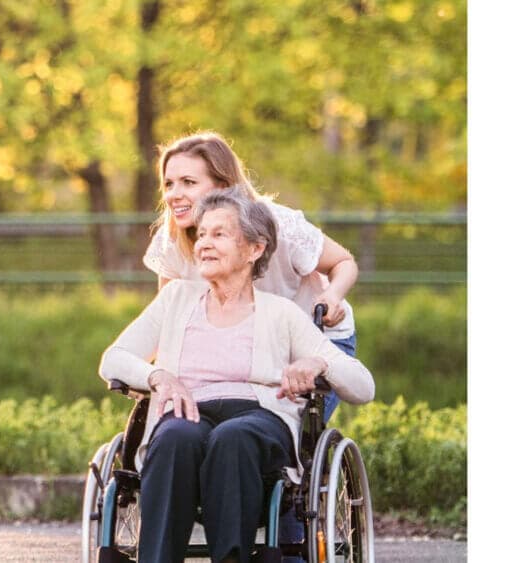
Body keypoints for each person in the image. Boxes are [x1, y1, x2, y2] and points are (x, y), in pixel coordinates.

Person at [100, 190, 374, 563]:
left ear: (254, 249)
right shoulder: (176, 298)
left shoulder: (283, 313)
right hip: (188, 411)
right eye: (202, 235)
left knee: (234, 437)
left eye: (220, 235)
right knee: (175, 436)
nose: (204, 245)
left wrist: (320, 365)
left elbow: (363, 386)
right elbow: (113, 359)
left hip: (258, 418)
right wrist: (158, 376)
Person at [143, 132, 360, 420]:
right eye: (169, 184)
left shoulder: (278, 225)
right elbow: (168, 322)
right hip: (240, 346)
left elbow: (344, 262)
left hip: (310, 341)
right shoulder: (171, 239)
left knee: (280, 431)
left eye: (189, 183)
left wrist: (332, 295)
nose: (173, 194)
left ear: (222, 186)